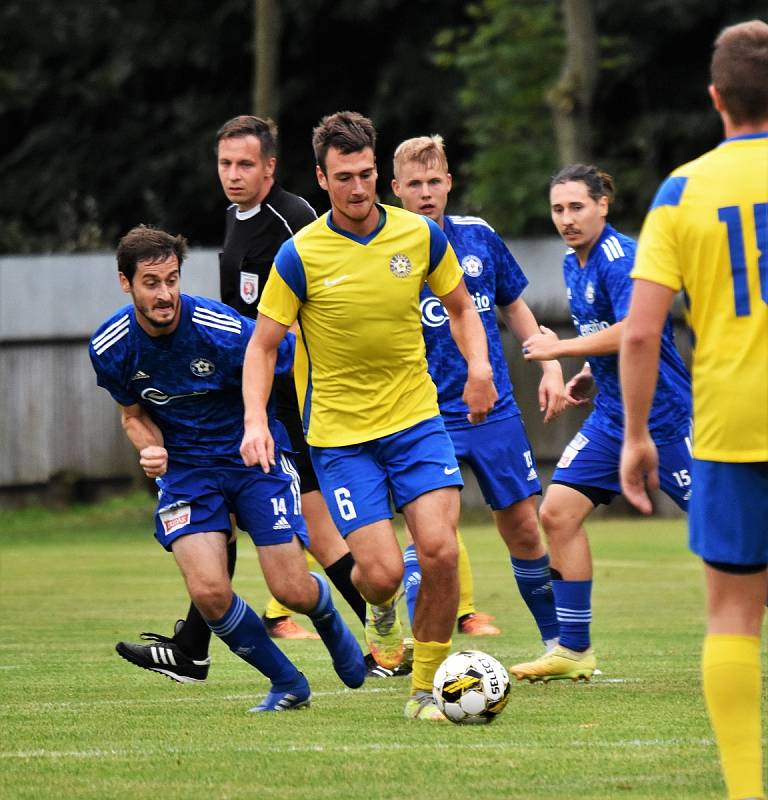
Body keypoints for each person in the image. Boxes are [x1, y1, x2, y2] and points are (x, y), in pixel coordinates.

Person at [240, 111, 497, 720]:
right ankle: (381, 609)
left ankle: (428, 688)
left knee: (437, 549)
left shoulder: (419, 236)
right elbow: (262, 345)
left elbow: (462, 309)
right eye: (344, 177)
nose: (359, 189)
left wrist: (480, 368)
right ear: (322, 180)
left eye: (367, 174)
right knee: (379, 575)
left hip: (415, 421)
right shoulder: (299, 255)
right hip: (341, 438)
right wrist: (255, 422)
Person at [116, 116, 386, 682]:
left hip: (296, 395)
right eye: (224, 164)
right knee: (230, 508)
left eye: (245, 164)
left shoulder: (293, 219)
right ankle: (194, 647)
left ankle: (379, 639)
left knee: (312, 523)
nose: (233, 176)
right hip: (250, 395)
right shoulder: (235, 221)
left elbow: (321, 300)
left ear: (270, 167)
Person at [90, 225, 366, 711]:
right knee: (210, 592)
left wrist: (263, 425)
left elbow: (280, 353)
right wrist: (149, 448)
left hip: (252, 458)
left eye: (172, 279)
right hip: (187, 475)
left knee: (291, 590)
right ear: (125, 283)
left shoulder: (219, 328)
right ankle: (288, 682)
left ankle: (324, 614)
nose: (165, 293)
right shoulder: (111, 347)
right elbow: (132, 415)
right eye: (151, 282)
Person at [620, 20, 768, 800]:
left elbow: (643, 330)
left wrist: (638, 434)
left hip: (731, 428)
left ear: (716, 99)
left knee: (734, 617)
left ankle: (747, 791)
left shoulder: (683, 190)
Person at [510, 164, 692, 682]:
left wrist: (561, 348)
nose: (566, 219)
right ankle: (574, 649)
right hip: (612, 415)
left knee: (727, 534)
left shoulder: (621, 258)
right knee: (558, 513)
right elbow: (610, 335)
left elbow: (638, 329)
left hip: (664, 418)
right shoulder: (574, 261)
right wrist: (590, 372)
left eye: (577, 207)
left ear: (603, 205)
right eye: (558, 209)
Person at [390, 135, 566, 647]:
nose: (426, 193)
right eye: (415, 184)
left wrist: (550, 365)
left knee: (524, 530)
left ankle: (559, 644)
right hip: (423, 415)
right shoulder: (386, 249)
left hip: (495, 412)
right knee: (431, 540)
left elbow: (515, 307)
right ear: (396, 189)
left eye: (434, 182)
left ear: (449, 183)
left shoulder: (479, 237)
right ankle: (424, 652)